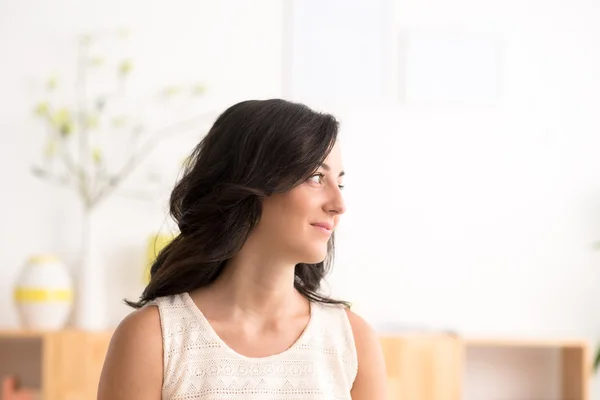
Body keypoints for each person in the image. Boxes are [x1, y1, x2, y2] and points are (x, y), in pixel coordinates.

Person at [97, 99, 388, 399]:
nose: (338, 205)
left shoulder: (351, 342)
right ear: (252, 183)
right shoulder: (153, 339)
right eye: (316, 178)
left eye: (339, 184)